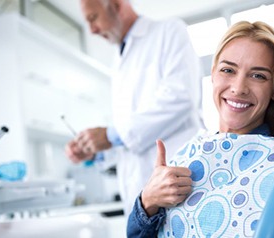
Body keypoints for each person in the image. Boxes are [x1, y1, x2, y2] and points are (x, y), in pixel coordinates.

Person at [126, 20, 274, 237]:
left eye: (258, 76)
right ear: (213, 74)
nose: (238, 88)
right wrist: (148, 200)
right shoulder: (189, 153)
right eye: (228, 70)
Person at [65, 0, 204, 216]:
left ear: (117, 5)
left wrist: (111, 135)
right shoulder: (119, 60)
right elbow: (131, 137)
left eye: (93, 18)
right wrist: (95, 151)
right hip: (141, 198)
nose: (92, 30)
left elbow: (181, 96)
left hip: (178, 186)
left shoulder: (168, 31)